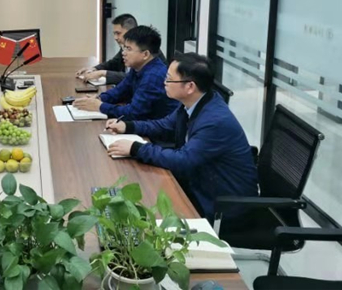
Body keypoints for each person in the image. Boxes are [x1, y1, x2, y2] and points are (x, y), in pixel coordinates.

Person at [105, 52, 259, 223]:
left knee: (145, 208)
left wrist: (136, 148)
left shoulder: (214, 122)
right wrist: (128, 126)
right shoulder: (195, 103)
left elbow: (183, 160)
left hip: (221, 207)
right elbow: (164, 125)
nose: (164, 83)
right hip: (199, 184)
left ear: (190, 87)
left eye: (169, 79)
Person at [74, 26, 179, 120]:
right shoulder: (138, 67)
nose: (123, 53)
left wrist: (100, 106)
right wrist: (99, 98)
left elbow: (133, 113)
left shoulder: (153, 76)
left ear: (145, 54)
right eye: (124, 48)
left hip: (156, 131)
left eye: (128, 49)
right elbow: (119, 91)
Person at [76, 14, 138, 85]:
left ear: (131, 32)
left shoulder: (141, 50)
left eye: (118, 33)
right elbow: (113, 63)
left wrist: (103, 73)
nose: (115, 38)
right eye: (114, 34)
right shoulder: (124, 47)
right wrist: (94, 69)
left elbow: (133, 77)